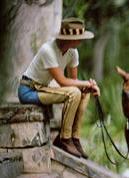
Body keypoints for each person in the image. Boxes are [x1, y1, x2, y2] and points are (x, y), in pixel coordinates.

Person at [18, 17, 100, 158]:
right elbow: (62, 81)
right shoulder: (47, 50)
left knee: (82, 93)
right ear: (69, 38)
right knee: (74, 93)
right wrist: (86, 83)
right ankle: (64, 139)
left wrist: (87, 87)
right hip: (28, 90)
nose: (81, 41)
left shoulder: (73, 52)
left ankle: (74, 138)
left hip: (42, 89)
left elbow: (73, 81)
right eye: (78, 38)